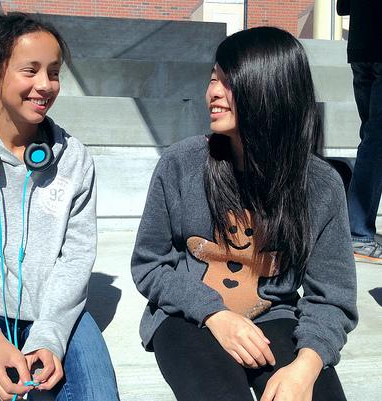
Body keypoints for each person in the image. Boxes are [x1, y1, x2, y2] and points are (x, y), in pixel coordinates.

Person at [131, 27, 357, 401]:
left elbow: (331, 297)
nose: (213, 93)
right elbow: (150, 265)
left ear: (270, 90)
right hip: (188, 316)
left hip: (274, 317)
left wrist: (306, 365)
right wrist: (215, 315)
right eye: (212, 79)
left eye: (228, 82)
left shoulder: (320, 185)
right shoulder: (181, 165)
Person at [0, 13, 119, 401]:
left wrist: (49, 336)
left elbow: (76, 258)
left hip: (57, 313)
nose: (44, 86)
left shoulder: (75, 158)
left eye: (54, 72)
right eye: (30, 70)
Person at [337, 0, 382, 264]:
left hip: (361, 46)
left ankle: (357, 229)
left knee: (372, 139)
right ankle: (359, 233)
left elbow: (343, 7)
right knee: (375, 142)